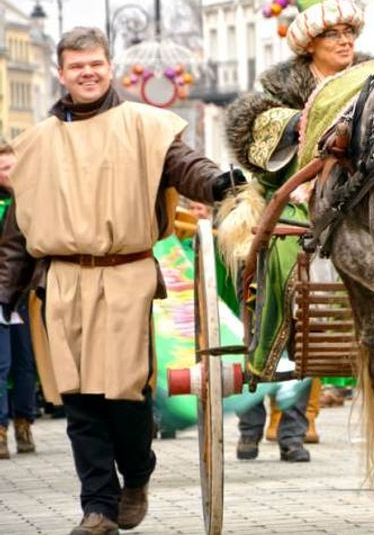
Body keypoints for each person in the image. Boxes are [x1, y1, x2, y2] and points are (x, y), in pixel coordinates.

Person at [0, 27, 237, 535]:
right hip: (64, 281)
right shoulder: (37, 143)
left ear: (109, 67)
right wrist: (6, 292)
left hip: (126, 275)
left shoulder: (146, 126)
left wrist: (217, 182)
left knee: (125, 396)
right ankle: (99, 509)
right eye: (77, 66)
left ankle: (138, 472)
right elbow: (20, 228)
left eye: (96, 64)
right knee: (80, 402)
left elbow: (184, 166)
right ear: (60, 73)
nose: (87, 72)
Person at [222, 0, 369, 463]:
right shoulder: (277, 92)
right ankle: (255, 398)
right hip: (292, 197)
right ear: (310, 43)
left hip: (356, 196)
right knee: (286, 251)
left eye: (350, 31)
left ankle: (292, 428)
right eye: (333, 34)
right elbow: (263, 151)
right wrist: (305, 122)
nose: (345, 41)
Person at [0, 142, 36, 459]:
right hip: (1, 292)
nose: (9, 174)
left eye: (13, 167)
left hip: (23, 295)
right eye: (3, 169)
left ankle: (25, 422)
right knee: (2, 363)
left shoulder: (31, 200)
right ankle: (0, 429)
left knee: (25, 364)